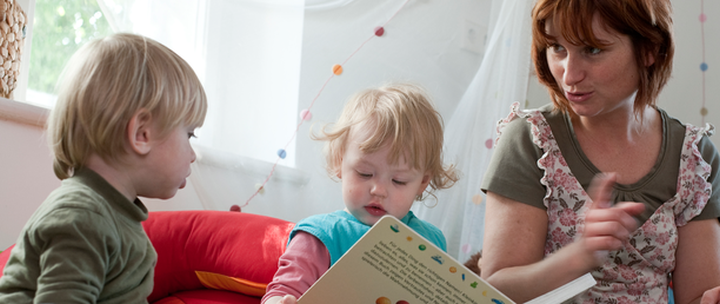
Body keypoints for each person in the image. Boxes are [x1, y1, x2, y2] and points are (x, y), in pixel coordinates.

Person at [480, 0, 720, 303]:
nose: (569, 75)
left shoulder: (695, 158)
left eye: (592, 50)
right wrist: (579, 256)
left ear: (649, 49)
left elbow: (697, 296)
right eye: (557, 48)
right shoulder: (530, 140)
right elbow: (494, 290)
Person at [0, 33, 207, 303]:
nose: (193, 155)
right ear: (141, 134)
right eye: (189, 135)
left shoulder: (110, 211)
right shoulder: (83, 217)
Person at [261, 83, 458, 304]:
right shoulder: (320, 236)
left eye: (398, 180)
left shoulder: (432, 241)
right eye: (364, 174)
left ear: (423, 182)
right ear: (339, 161)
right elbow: (282, 290)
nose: (379, 190)